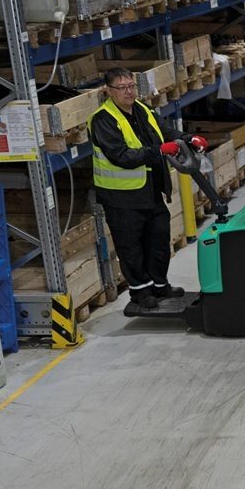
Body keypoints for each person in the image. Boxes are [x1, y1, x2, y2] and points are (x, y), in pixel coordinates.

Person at [89, 67, 204, 317]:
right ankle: (141, 292)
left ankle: (160, 286)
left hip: (150, 189)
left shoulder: (143, 110)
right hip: (121, 197)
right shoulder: (103, 120)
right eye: (122, 87)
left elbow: (165, 133)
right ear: (108, 91)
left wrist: (188, 138)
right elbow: (121, 156)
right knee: (132, 246)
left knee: (159, 240)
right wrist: (160, 150)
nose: (129, 91)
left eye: (131, 86)